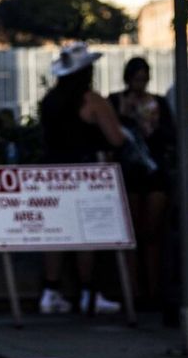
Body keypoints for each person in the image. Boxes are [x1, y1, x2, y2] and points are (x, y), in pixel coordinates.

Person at [37, 43, 129, 316]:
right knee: (87, 234)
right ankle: (89, 292)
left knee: (55, 234)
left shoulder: (50, 101)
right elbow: (116, 138)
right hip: (86, 172)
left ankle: (51, 291)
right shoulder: (92, 101)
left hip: (53, 172)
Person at [108, 56, 177, 315]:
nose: (141, 83)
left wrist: (153, 126)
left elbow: (170, 136)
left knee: (151, 234)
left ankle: (151, 289)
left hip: (153, 171)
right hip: (130, 172)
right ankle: (135, 290)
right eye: (137, 78)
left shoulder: (157, 104)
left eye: (144, 77)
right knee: (133, 234)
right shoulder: (116, 102)